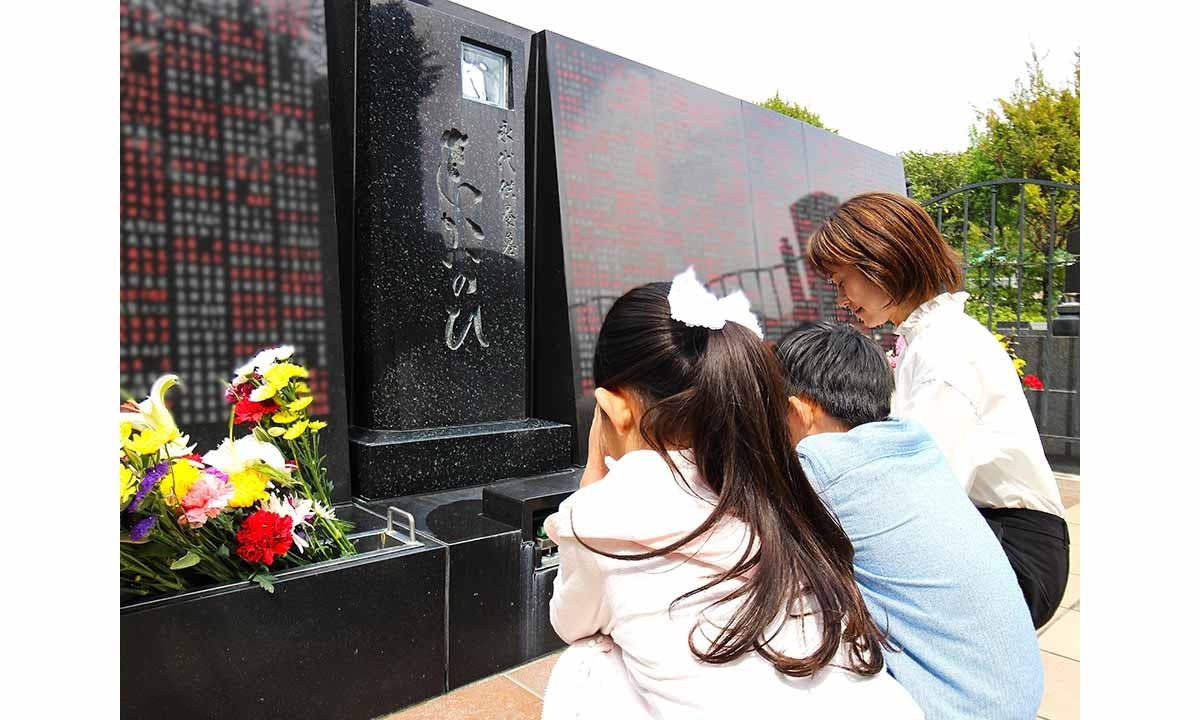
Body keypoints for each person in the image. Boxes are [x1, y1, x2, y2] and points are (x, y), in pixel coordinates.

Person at [540, 268, 922, 719]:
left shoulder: (602, 516)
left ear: (612, 408)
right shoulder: (779, 489)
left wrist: (591, 481)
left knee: (585, 662)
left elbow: (570, 621)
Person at [807, 191, 1069, 629]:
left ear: (880, 261)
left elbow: (924, 494)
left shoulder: (944, 350)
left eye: (840, 281)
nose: (841, 300)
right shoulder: (931, 338)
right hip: (996, 533)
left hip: (1014, 552)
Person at [775, 320, 1042, 719]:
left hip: (955, 708)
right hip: (1013, 694)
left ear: (798, 411)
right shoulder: (914, 444)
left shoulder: (821, 463)